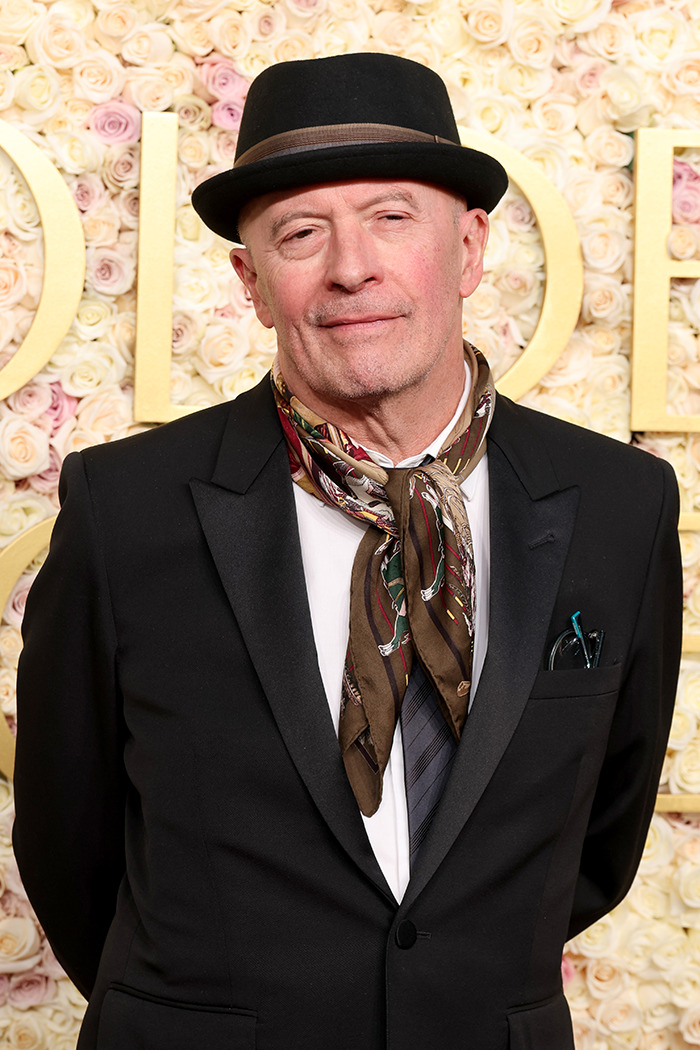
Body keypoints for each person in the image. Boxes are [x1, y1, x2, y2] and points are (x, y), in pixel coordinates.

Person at [13, 52, 682, 1050]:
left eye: (391, 216)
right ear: (250, 280)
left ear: (468, 249)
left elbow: (602, 836)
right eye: (299, 232)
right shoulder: (126, 508)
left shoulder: (618, 506)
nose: (350, 265)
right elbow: (69, 844)